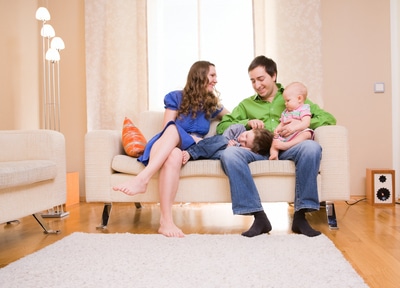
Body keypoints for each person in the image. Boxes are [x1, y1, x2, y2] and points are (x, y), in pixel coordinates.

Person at [216, 55, 336, 237]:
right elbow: (221, 127)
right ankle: (259, 217)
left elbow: (328, 119)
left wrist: (299, 125)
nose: (257, 85)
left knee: (311, 148)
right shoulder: (247, 104)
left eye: (261, 79)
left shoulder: (292, 98)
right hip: (256, 151)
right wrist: (248, 122)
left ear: (273, 76)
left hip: (287, 147)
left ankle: (301, 217)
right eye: (253, 81)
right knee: (230, 155)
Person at [113, 60, 229, 238]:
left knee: (175, 148)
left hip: (188, 148)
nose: (216, 80)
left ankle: (150, 194)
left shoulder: (211, 104)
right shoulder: (175, 97)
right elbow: (167, 126)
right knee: (173, 142)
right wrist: (190, 137)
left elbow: (233, 117)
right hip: (165, 143)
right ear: (200, 76)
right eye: (212, 75)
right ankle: (158, 208)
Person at [182, 124, 274, 164]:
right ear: (251, 130)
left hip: (217, 154)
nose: (242, 139)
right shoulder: (238, 129)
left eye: (245, 143)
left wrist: (235, 149)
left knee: (224, 154)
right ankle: (192, 152)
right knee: (223, 141)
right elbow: (223, 139)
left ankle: (196, 156)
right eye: (246, 135)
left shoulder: (244, 150)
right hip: (211, 144)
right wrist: (230, 147)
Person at [269, 81, 314, 160]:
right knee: (274, 140)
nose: (285, 103)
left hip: (297, 135)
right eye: (285, 101)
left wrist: (294, 128)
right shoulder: (286, 112)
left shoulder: (303, 109)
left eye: (288, 100)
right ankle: (274, 154)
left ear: (299, 98)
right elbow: (282, 123)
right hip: (285, 136)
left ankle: (287, 145)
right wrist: (277, 129)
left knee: (307, 134)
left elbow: (306, 123)